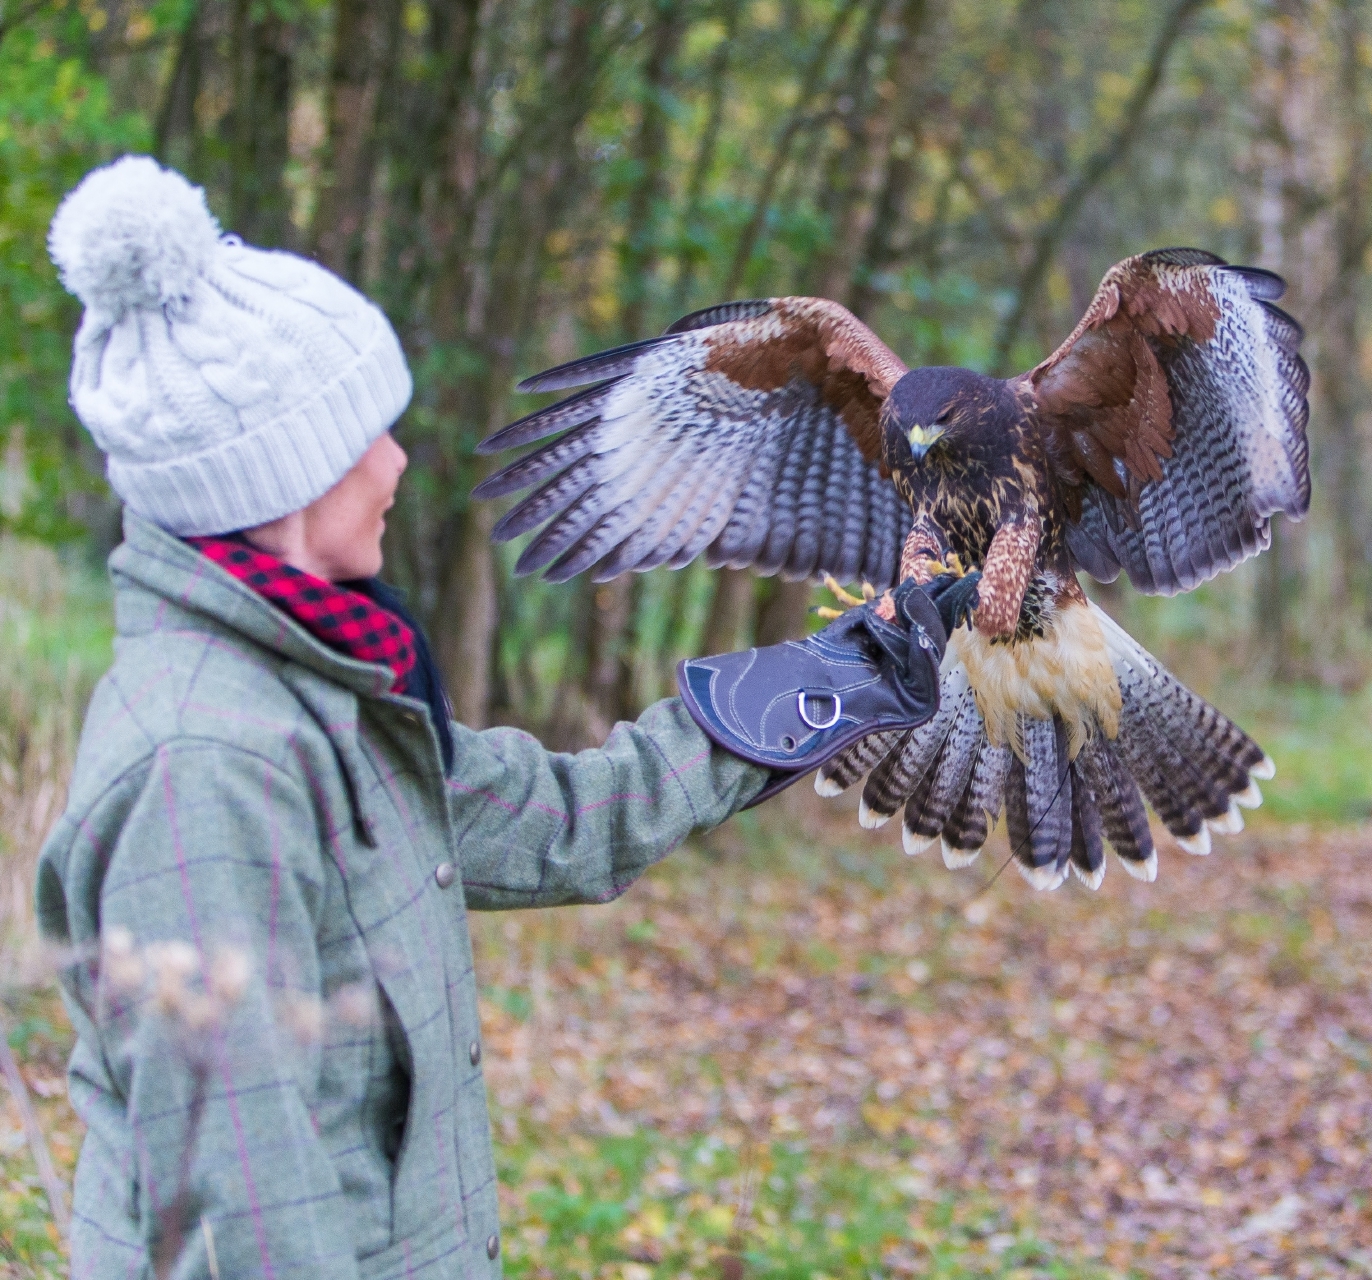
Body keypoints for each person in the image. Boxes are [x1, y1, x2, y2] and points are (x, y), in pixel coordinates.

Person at [34, 155, 971, 1280]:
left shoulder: (315, 690)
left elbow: (548, 819)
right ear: (269, 485)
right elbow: (245, 1219)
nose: (395, 462)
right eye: (360, 440)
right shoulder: (205, 764)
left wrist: (831, 677)